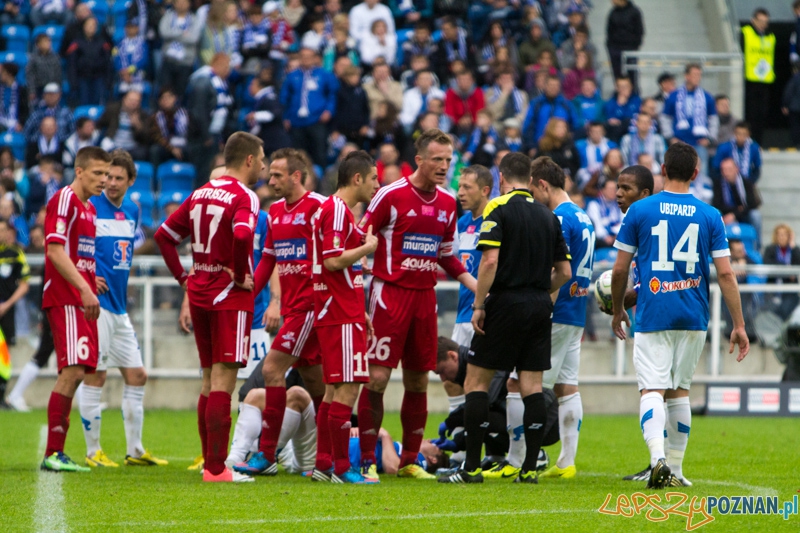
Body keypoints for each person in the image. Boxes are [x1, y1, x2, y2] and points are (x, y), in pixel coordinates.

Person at [611, 142, 750, 489]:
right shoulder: (710, 215)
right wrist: (738, 324)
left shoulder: (639, 211)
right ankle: (676, 468)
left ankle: (657, 460)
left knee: (652, 389)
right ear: (695, 173)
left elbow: (619, 270)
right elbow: (726, 273)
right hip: (693, 314)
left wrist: (617, 309)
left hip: (654, 311)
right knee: (680, 391)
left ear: (662, 170)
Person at [438, 152, 571, 484]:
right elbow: (565, 272)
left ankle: (470, 468)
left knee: (476, 382)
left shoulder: (497, 207)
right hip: (539, 306)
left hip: (505, 303)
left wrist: (479, 304)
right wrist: (539, 290)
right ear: (530, 179)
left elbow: (489, 261)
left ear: (500, 178)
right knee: (532, 386)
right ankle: (529, 469)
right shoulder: (548, 215)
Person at [354, 129, 477, 481]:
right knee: (377, 378)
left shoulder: (448, 202)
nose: (444, 166)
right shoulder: (390, 195)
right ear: (419, 159)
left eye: (448, 160)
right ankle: (366, 460)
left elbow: (447, 256)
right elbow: (362, 234)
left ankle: (409, 460)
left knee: (419, 380)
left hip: (425, 299)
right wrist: (360, 264)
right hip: (389, 295)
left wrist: (477, 287)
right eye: (437, 159)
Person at [154, 132, 264, 483]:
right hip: (228, 297)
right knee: (223, 382)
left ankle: (209, 463)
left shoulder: (200, 192)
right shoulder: (245, 196)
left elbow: (163, 236)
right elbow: (243, 235)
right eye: (261, 160)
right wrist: (241, 275)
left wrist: (183, 279)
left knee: (207, 381)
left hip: (200, 292)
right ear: (249, 160)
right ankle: (217, 469)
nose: (262, 167)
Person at [233, 148, 327, 477]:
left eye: (277, 175)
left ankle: (267, 453)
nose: (270, 180)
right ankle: (330, 456)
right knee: (318, 386)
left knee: (272, 370)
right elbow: (269, 260)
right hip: (293, 310)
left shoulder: (318, 207)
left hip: (310, 308)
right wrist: (247, 295)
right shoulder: (274, 212)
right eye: (269, 174)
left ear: (296, 176)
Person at [76, 150, 166, 468]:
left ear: (131, 181)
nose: (110, 183)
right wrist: (86, 277)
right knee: (96, 375)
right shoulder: (89, 205)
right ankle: (93, 452)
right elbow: (72, 247)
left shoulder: (132, 210)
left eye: (117, 178)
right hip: (96, 305)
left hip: (118, 306)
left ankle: (135, 450)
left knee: (137, 375)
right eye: (107, 176)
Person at [513, 156, 594, 480]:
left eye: (533, 191)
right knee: (567, 386)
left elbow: (557, 269)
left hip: (556, 311)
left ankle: (524, 458)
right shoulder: (582, 215)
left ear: (543, 185)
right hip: (576, 311)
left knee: (530, 385)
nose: (532, 198)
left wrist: (538, 306)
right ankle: (566, 462)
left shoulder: (558, 218)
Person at [308, 150, 380, 484]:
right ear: (357, 178)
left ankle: (323, 464)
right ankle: (341, 468)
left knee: (332, 390)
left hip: (339, 310)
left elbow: (341, 269)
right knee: (348, 390)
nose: (376, 185)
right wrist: (368, 247)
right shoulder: (337, 210)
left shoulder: (336, 211)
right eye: (374, 178)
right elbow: (333, 260)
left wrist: (360, 308)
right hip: (338, 313)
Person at [39, 146, 110, 473]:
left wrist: (91, 280)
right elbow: (54, 250)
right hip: (66, 297)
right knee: (72, 371)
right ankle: (53, 452)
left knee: (80, 371)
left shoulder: (90, 208)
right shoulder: (64, 199)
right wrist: (83, 287)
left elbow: (77, 253)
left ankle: (57, 451)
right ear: (79, 171)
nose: (103, 180)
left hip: (80, 296)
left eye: (106, 173)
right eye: (97, 173)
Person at [452, 166, 492, 346]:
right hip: (463, 313)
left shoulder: (497, 220)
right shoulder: (462, 223)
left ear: (485, 191)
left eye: (467, 187)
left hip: (487, 314)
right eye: (460, 187)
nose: (460, 192)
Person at [281, 47, 338, 169]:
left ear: (315, 58)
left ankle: (320, 177)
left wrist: (329, 110)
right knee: (297, 155)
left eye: (309, 56)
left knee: (319, 153)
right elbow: (285, 98)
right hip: (296, 122)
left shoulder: (324, 75)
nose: (306, 59)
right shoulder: (292, 76)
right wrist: (286, 117)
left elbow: (332, 94)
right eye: (303, 56)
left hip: (317, 120)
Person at [660, 63, 718, 176]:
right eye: (695, 74)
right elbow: (665, 118)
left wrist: (710, 139)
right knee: (678, 173)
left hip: (699, 144)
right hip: (679, 143)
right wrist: (670, 137)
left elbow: (713, 119)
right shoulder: (674, 96)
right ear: (686, 76)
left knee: (700, 174)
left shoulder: (707, 97)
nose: (698, 78)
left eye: (699, 75)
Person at [741, 8, 774, 145]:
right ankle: (749, 141)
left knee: (762, 115)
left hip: (765, 80)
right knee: (751, 115)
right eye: (760, 21)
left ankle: (758, 143)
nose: (762, 24)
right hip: (750, 80)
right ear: (753, 20)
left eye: (765, 22)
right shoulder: (746, 32)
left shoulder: (770, 36)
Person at [159, 0, 204, 98]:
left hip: (186, 62)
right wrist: (182, 33)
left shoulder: (194, 19)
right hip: (168, 60)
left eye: (184, 2)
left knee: (181, 92)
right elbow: (163, 32)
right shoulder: (168, 16)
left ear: (189, 4)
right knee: (165, 90)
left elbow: (194, 38)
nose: (181, 4)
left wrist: (173, 34)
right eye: (178, 2)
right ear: (174, 4)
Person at [522, 75, 574, 155]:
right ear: (545, 86)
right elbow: (528, 126)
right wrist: (531, 146)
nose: (553, 88)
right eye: (551, 85)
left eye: (556, 86)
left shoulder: (566, 105)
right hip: (539, 147)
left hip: (561, 148)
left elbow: (574, 126)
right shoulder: (536, 104)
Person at [712, 158, 762, 238]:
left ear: (736, 169)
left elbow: (752, 204)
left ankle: (756, 243)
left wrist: (734, 215)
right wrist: (737, 209)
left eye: (729, 170)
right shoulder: (718, 184)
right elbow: (717, 204)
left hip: (744, 214)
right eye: (724, 170)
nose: (726, 173)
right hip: (725, 214)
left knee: (755, 215)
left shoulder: (746, 183)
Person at [0, 218, 30, 346]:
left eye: (2, 230)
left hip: (7, 310)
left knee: (7, 350)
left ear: (7, 232)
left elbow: (24, 285)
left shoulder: (15, 254)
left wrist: (6, 305)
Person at [763, 224, 800, 320]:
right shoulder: (770, 249)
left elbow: (797, 264)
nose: (781, 237)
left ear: (789, 236)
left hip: (789, 290)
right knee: (770, 310)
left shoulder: (794, 250)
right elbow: (768, 263)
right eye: (779, 234)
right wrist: (787, 271)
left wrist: (793, 247)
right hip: (772, 289)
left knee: (784, 310)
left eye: (784, 234)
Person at [605, 0, 644, 92]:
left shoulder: (634, 12)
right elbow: (609, 30)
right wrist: (610, 46)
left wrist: (635, 46)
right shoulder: (613, 12)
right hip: (615, 48)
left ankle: (633, 92)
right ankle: (619, 92)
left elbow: (639, 30)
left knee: (632, 73)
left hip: (630, 48)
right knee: (617, 74)